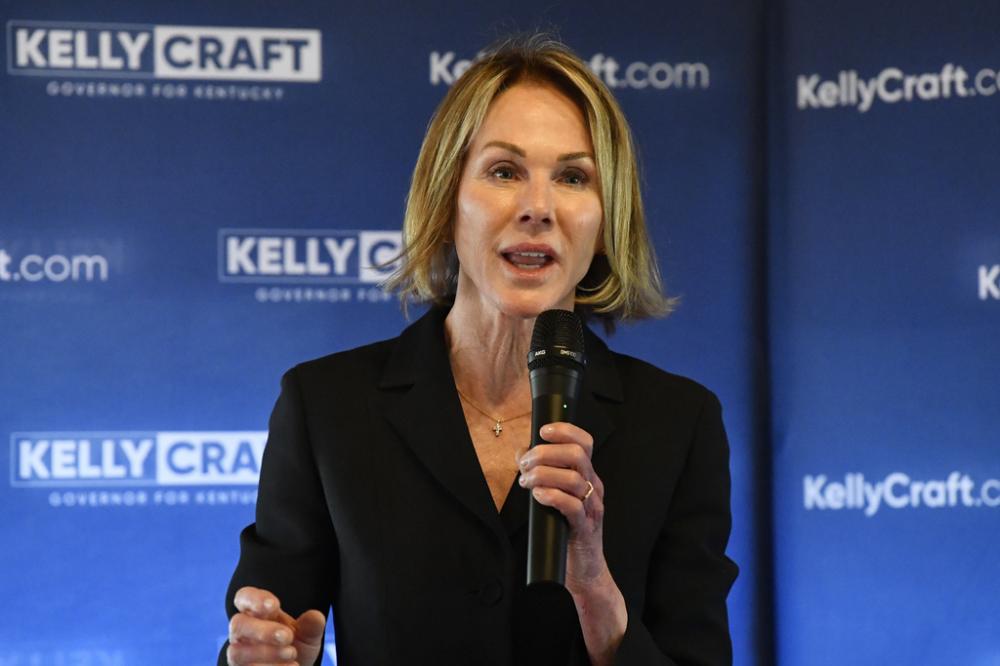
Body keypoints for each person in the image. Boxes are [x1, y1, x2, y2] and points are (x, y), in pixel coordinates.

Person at [221, 34, 737, 666]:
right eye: (504, 171)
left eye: (573, 177)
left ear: (606, 221)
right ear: (447, 200)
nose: (538, 207)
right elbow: (262, 634)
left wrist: (598, 596)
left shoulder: (677, 424)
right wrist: (266, 659)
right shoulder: (326, 406)